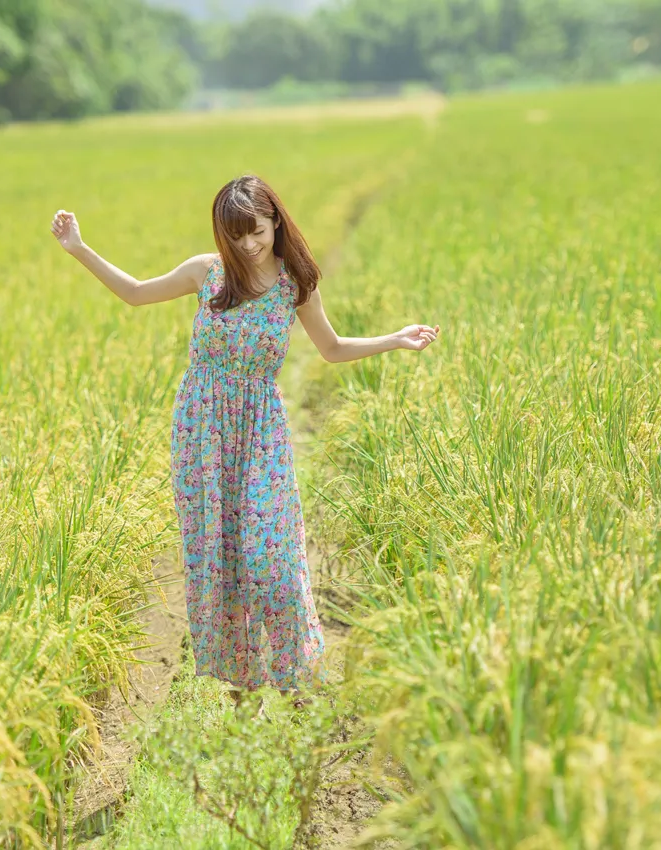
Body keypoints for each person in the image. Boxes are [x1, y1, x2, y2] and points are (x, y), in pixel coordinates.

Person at [50, 174, 439, 713]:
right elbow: (136, 294)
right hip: (201, 431)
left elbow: (331, 347)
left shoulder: (293, 284)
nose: (248, 245)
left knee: (270, 558)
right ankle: (241, 688)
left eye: (256, 231)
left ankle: (295, 672)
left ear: (275, 221)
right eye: (236, 236)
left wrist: (394, 339)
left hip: (260, 431)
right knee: (219, 557)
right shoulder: (206, 274)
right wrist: (79, 248)